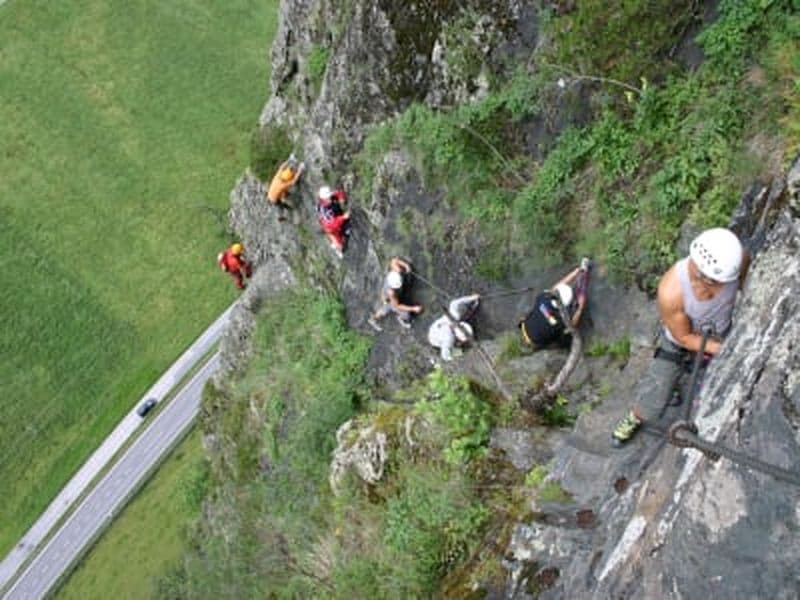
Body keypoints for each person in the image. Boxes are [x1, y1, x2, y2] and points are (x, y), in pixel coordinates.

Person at [611, 228, 749, 446]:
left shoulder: (736, 262)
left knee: (706, 388)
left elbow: (742, 283)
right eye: (708, 279)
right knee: (654, 399)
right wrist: (724, 350)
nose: (712, 285)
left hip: (719, 334)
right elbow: (684, 337)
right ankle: (636, 417)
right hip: (681, 341)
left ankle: (680, 384)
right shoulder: (671, 291)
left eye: (717, 281)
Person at [519, 258, 591, 348]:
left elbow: (554, 289)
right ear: (565, 304)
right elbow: (571, 326)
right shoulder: (560, 320)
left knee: (536, 313)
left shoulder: (543, 298)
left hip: (524, 327)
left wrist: (574, 273)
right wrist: (580, 308)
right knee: (564, 335)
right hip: (536, 341)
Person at [367, 257, 423, 331]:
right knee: (405, 314)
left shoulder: (396, 272)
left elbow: (394, 260)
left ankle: (373, 319)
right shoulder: (392, 293)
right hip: (389, 299)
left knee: (386, 307)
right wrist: (413, 308)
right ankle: (401, 319)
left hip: (389, 294)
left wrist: (406, 266)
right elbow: (397, 306)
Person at [428, 294, 481, 360]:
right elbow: (445, 356)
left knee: (466, 314)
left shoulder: (455, 315)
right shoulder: (449, 339)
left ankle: (472, 308)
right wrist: (457, 354)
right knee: (461, 350)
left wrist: (472, 298)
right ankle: (461, 351)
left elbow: (454, 303)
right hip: (434, 339)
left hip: (438, 326)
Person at [317, 185, 350, 258]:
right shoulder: (325, 211)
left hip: (335, 218)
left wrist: (341, 198)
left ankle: (337, 244)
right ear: (324, 199)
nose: (329, 199)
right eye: (327, 199)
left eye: (329, 197)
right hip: (331, 227)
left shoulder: (329, 197)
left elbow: (338, 193)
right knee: (339, 241)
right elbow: (332, 225)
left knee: (343, 233)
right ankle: (339, 248)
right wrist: (343, 218)